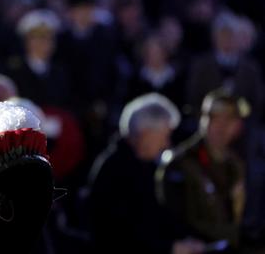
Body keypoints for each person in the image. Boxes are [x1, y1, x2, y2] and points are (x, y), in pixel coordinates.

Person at [87, 93, 204, 254]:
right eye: (164, 136)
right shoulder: (115, 170)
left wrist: (183, 239)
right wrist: (171, 247)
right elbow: (120, 231)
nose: (167, 143)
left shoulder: (147, 165)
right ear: (146, 133)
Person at [157, 89, 250, 250]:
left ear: (237, 126)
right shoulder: (181, 163)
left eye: (228, 119)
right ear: (202, 119)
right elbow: (179, 222)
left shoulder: (235, 165)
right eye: (213, 118)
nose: (220, 127)